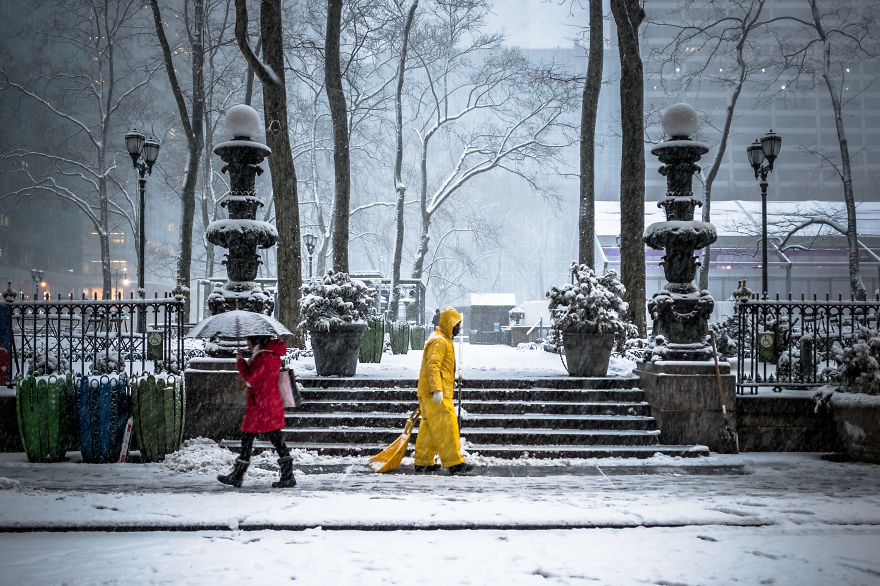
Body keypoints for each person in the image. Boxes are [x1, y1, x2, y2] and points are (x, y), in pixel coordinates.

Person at [217, 334, 296, 488]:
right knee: (272, 440)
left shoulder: (263, 357)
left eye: (248, 342)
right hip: (268, 404)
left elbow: (251, 379)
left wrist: (240, 363)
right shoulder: (270, 355)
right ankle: (287, 475)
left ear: (256, 342)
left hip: (261, 406)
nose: (247, 346)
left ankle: (238, 475)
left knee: (252, 440)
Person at [413, 307, 474, 475]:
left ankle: (423, 461)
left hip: (433, 392)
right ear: (449, 324)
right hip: (435, 394)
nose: (458, 328)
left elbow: (442, 367)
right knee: (448, 426)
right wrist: (437, 389)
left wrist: (450, 381)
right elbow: (432, 366)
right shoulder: (439, 341)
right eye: (456, 325)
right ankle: (455, 463)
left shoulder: (444, 339)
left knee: (431, 428)